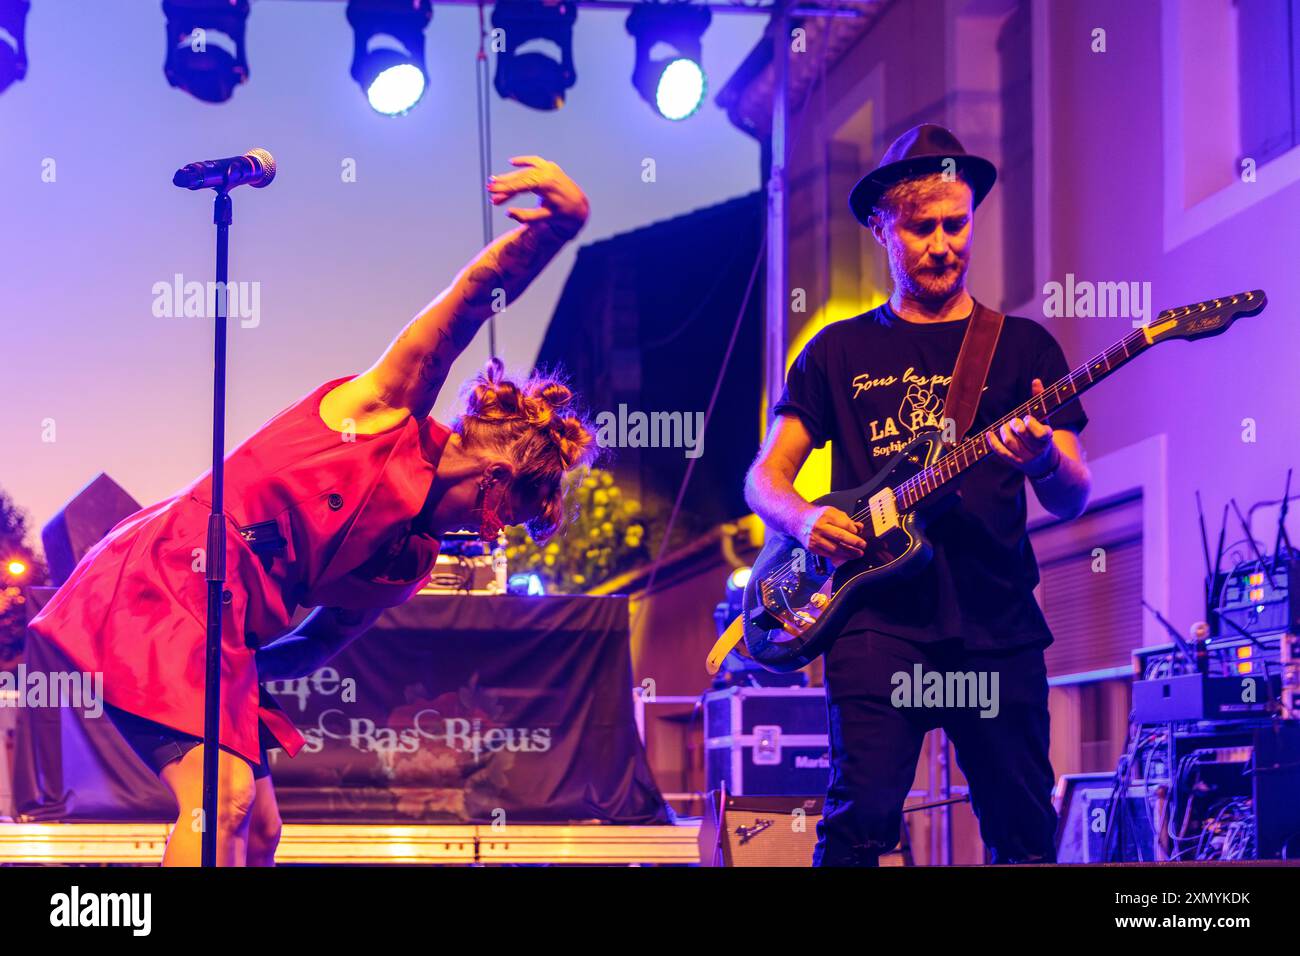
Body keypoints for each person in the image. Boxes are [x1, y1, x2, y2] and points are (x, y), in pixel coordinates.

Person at [28, 155, 595, 866]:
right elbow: (473, 297)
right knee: (220, 798)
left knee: (261, 827)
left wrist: (243, 675)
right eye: (497, 518)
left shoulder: (410, 558)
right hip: (164, 581)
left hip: (226, 636)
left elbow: (321, 643)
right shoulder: (383, 412)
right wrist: (556, 230)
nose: (483, 538)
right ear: (494, 477)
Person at [744, 124, 1093, 865]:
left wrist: (1039, 462)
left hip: (997, 625)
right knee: (860, 822)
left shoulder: (1024, 348)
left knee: (1025, 831)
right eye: (921, 226)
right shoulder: (837, 350)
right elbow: (764, 478)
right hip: (877, 623)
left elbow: (1073, 495)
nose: (943, 243)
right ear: (882, 227)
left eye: (956, 224)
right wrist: (806, 521)